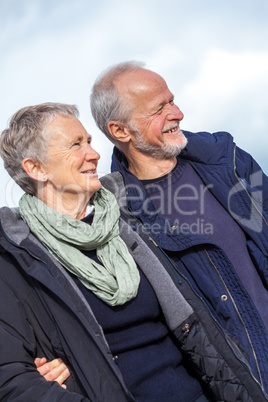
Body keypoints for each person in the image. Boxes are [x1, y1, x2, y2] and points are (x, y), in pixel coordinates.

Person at [0, 103, 265, 402]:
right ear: (35, 168)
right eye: (76, 144)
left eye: (88, 140)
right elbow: (12, 380)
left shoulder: (129, 219)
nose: (94, 153)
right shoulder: (14, 257)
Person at [90, 62, 268, 395]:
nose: (179, 113)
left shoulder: (228, 160)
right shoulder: (115, 219)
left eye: (171, 100)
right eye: (159, 109)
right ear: (121, 131)